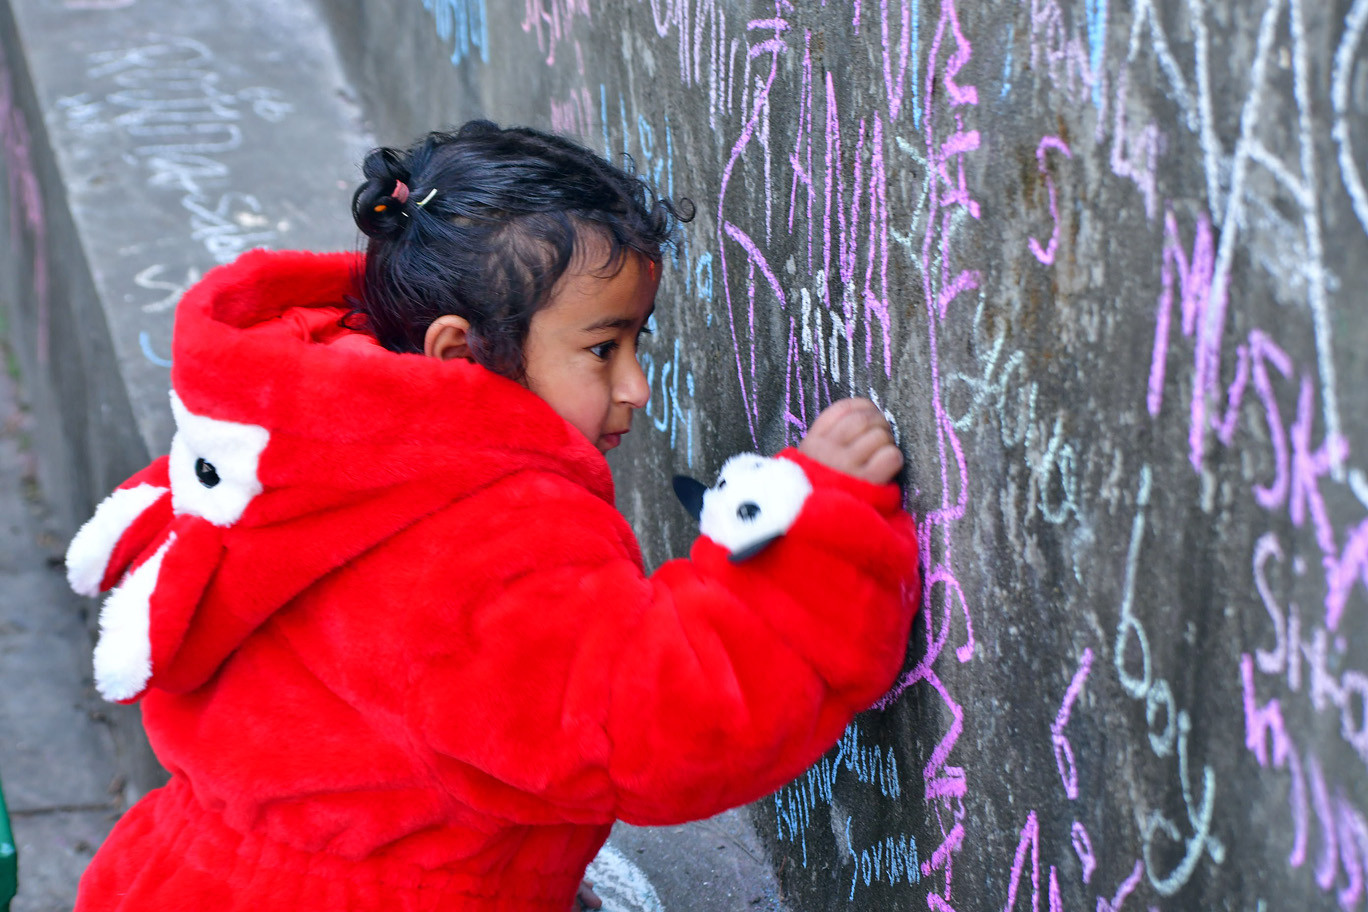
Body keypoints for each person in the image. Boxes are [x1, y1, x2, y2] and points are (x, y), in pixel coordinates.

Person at [63, 121, 920, 912]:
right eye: (601, 348)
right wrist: (817, 538)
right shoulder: (485, 537)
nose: (635, 387)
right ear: (459, 352)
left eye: (638, 344)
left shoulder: (299, 447)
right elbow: (663, 724)